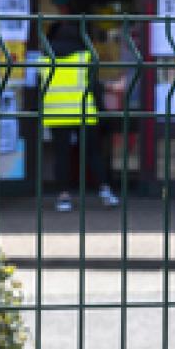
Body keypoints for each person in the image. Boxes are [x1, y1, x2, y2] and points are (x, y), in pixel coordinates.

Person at [40, 19, 121, 211]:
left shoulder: (45, 58)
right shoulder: (85, 57)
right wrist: (102, 112)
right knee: (93, 153)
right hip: (84, 111)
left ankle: (63, 197)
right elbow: (94, 88)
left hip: (57, 112)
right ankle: (105, 191)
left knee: (62, 155)